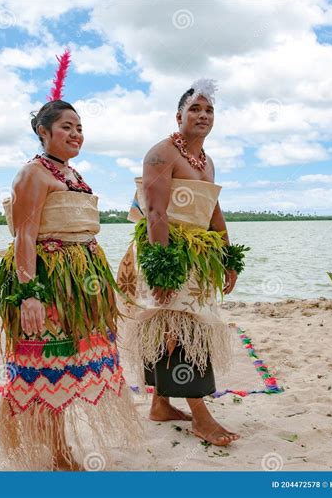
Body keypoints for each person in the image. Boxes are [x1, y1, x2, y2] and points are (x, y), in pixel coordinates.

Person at [0, 68, 141, 470]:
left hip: (81, 286)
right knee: (47, 365)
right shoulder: (32, 174)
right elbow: (25, 237)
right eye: (66, 126)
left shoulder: (71, 174)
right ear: (43, 132)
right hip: (50, 283)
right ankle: (58, 453)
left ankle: (62, 447)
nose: (76, 134)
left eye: (80, 128)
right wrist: (30, 294)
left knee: (70, 362)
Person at [117, 79, 248, 447]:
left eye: (209, 110)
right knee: (177, 328)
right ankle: (201, 418)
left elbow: (212, 210)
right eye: (195, 109)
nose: (203, 115)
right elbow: (156, 212)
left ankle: (160, 405)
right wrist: (163, 269)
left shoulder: (207, 161)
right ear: (179, 116)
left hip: (197, 256)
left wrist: (226, 256)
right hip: (167, 251)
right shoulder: (161, 154)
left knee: (178, 328)